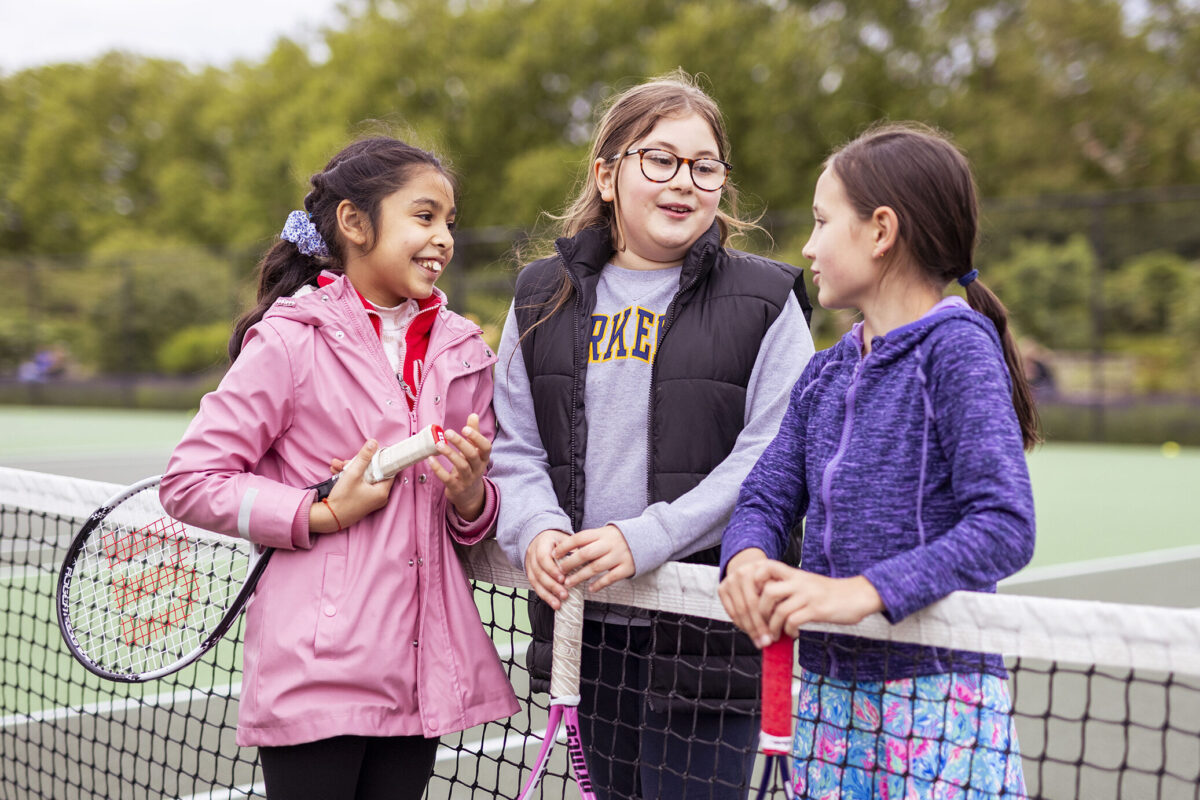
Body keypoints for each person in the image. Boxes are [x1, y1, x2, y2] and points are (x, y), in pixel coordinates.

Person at [159, 136, 518, 800]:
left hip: (421, 672)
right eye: (423, 215)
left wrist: (471, 498)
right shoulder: (289, 341)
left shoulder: (466, 350)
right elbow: (189, 481)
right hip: (315, 676)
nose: (443, 238)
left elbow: (478, 517)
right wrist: (317, 511)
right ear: (355, 223)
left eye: (449, 222)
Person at [490, 71, 815, 799]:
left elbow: (768, 461)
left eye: (705, 167)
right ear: (608, 175)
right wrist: (537, 530)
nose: (683, 183)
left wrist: (645, 539)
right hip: (589, 629)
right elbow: (514, 446)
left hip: (711, 636)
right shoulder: (540, 296)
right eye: (659, 159)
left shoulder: (768, 301)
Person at [719, 122, 1038, 799]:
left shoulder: (957, 351)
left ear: (880, 230)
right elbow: (765, 499)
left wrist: (858, 593)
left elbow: (1005, 524)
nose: (806, 244)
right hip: (826, 697)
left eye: (821, 220)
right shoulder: (824, 374)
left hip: (937, 701)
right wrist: (746, 556)